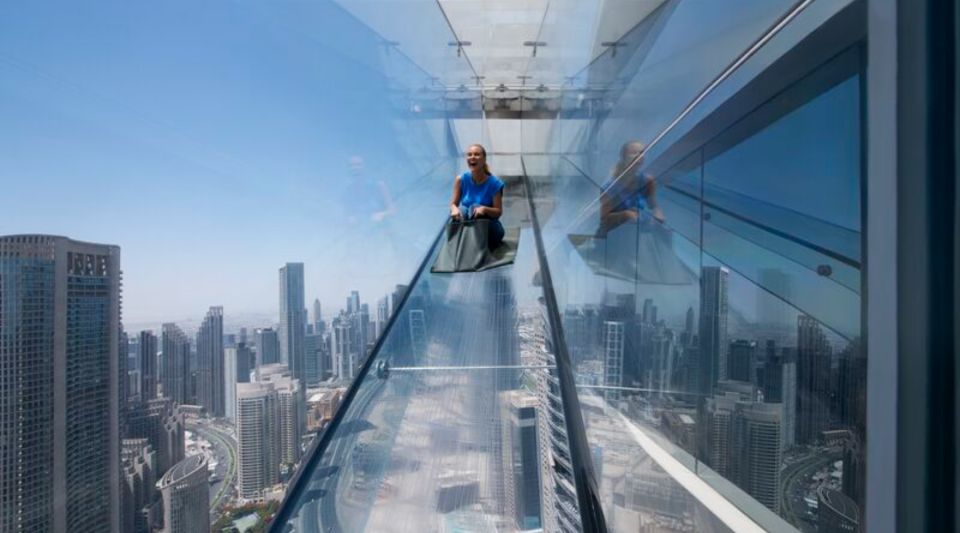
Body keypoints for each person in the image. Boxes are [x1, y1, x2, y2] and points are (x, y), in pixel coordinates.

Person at [599, 140, 664, 235]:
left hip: (637, 231)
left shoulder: (647, 181)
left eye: (642, 153)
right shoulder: (609, 187)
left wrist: (657, 212)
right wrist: (625, 215)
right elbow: (604, 220)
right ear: (623, 157)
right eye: (634, 153)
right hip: (615, 233)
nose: (639, 156)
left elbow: (653, 205)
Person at [449, 144, 505, 248]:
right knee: (463, 210)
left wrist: (484, 209)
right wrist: (454, 209)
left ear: (484, 159)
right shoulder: (461, 180)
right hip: (468, 224)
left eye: (477, 154)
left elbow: (498, 212)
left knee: (476, 209)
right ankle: (461, 246)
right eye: (469, 155)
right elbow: (453, 204)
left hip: (489, 227)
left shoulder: (494, 183)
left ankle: (477, 247)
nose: (472, 157)